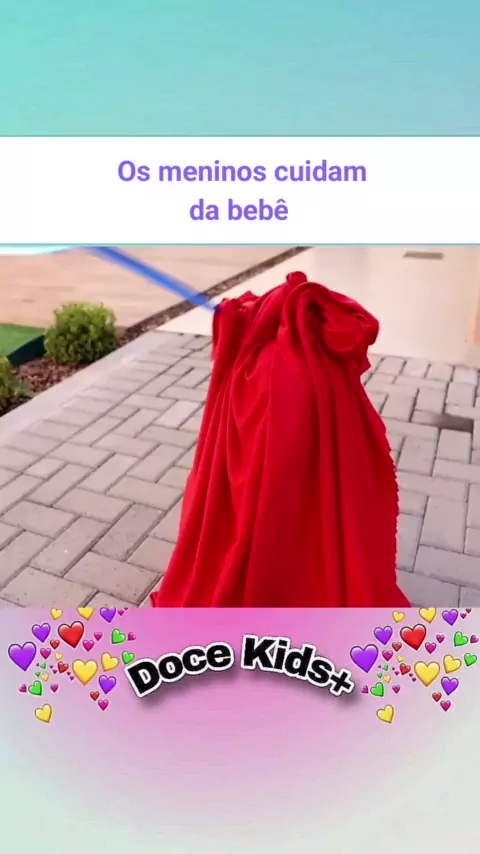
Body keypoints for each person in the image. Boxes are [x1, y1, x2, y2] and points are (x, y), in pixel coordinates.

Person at [150, 271, 410, 607]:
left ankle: (269, 558)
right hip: (294, 405)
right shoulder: (310, 370)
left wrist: (236, 319)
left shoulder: (274, 371)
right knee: (291, 493)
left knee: (272, 492)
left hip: (277, 401)